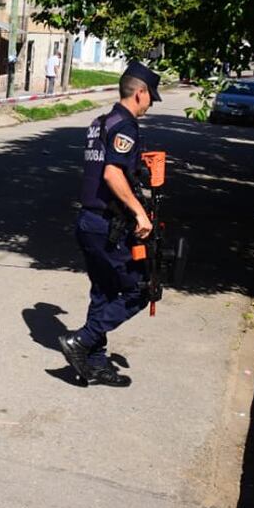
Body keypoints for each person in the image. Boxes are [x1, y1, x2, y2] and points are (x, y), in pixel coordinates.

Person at [59, 61, 162, 387]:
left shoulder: (100, 123)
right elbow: (112, 174)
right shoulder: (125, 126)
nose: (149, 105)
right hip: (107, 225)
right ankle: (82, 341)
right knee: (141, 290)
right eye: (150, 98)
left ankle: (95, 364)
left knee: (103, 291)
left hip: (89, 222)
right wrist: (140, 213)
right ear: (140, 92)